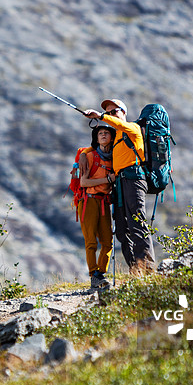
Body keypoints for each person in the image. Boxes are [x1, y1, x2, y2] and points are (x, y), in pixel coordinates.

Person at [84, 99, 155, 274]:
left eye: (113, 112)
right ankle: (135, 270)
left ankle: (148, 269)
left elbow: (119, 125)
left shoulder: (133, 129)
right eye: (108, 113)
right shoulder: (116, 138)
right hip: (120, 183)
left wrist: (100, 116)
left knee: (137, 221)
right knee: (122, 230)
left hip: (134, 178)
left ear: (123, 112)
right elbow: (97, 148)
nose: (110, 115)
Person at [77, 124, 116, 291]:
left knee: (108, 242)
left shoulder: (114, 158)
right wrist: (108, 179)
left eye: (106, 133)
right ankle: (94, 275)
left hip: (104, 202)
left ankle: (101, 273)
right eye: (100, 133)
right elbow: (83, 182)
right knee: (91, 241)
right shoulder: (90, 156)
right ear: (96, 137)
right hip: (88, 201)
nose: (103, 135)